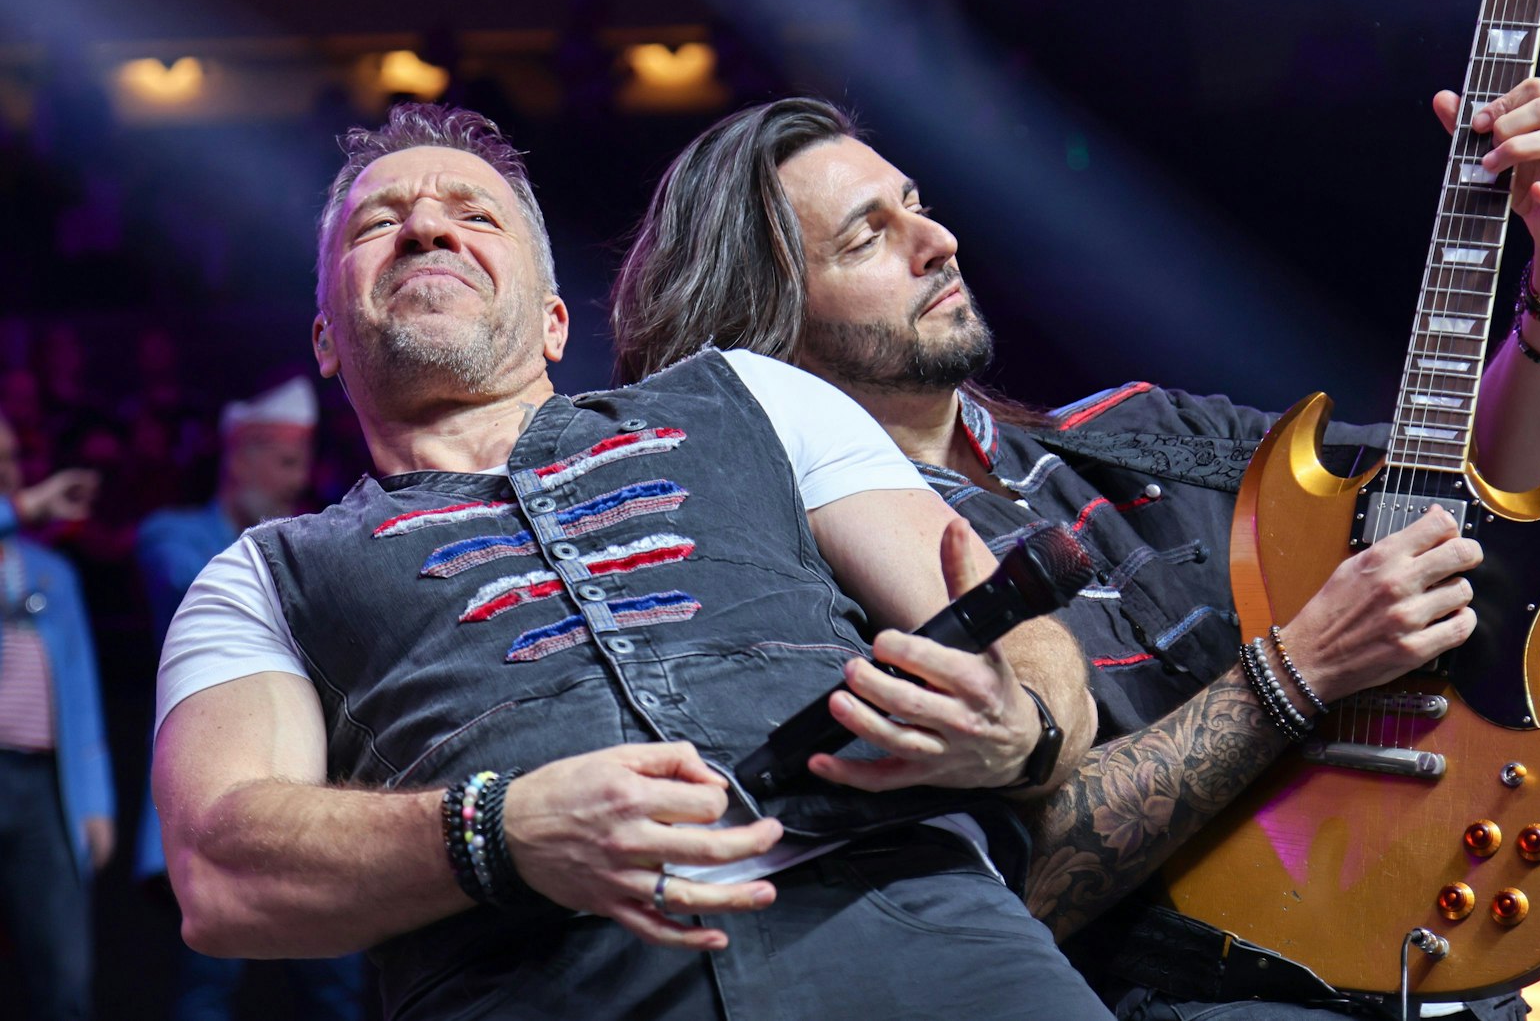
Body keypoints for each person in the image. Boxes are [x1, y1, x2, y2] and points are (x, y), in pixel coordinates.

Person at [608, 78, 1540, 1020]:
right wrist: (1301, 668)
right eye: (868, 237)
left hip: (1451, 970)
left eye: (915, 205)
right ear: (763, 324)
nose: (938, 242)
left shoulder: (1142, 430)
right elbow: (1023, 882)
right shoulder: (809, 579)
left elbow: (1476, 492)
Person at [152, 103, 1111, 1021]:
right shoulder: (256, 579)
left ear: (556, 323)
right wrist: (494, 833)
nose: (427, 233)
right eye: (380, 223)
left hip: (926, 945)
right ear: (325, 338)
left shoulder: (753, 395)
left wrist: (1021, 729)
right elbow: (220, 873)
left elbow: (1019, 634)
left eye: (474, 216)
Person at [135, 376, 365, 1021]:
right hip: (214, 799)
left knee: (336, 988)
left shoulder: (311, 542)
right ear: (243, 455)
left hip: (312, 800)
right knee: (207, 988)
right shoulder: (171, 534)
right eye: (287, 462)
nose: (299, 480)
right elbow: (203, 595)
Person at [0, 410, 113, 1021]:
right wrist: (22, 508)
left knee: (63, 978)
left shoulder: (51, 573)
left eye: (11, 457)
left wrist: (94, 804)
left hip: (43, 788)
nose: (7, 471)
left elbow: (81, 691)